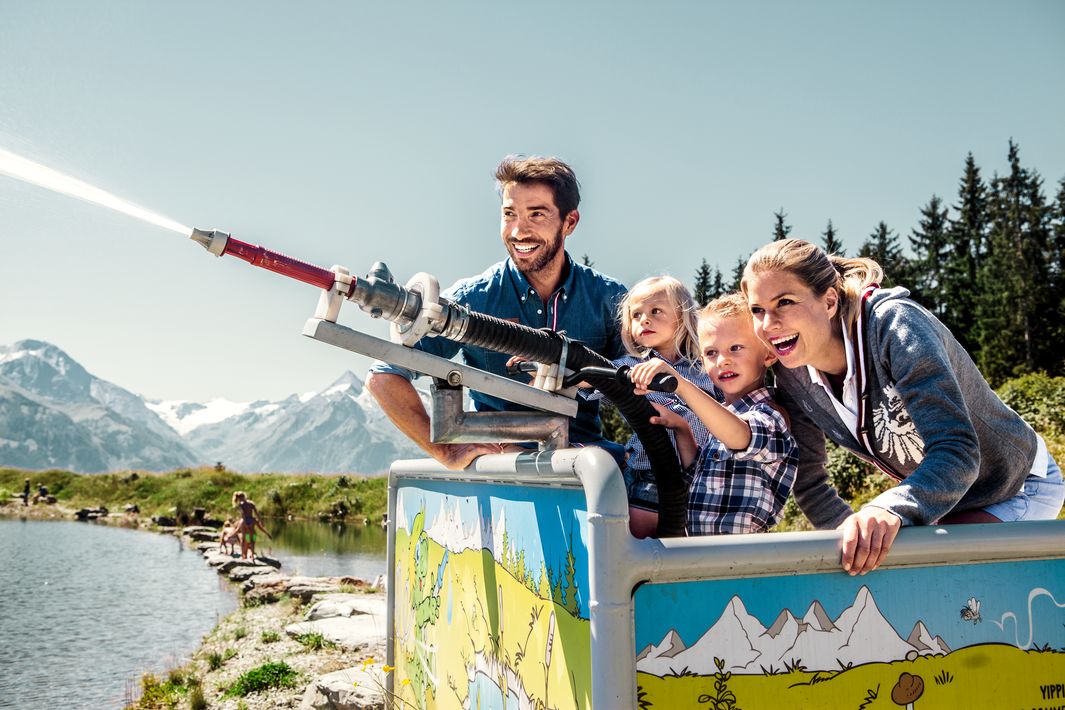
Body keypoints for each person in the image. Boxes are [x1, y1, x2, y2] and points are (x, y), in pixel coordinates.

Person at [741, 239, 1065, 575]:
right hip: (944, 503)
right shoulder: (790, 374)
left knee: (942, 576)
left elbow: (958, 451)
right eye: (757, 310)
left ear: (829, 301)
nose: (767, 324)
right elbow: (809, 482)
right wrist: (853, 539)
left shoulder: (894, 326)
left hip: (1014, 486)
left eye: (785, 302)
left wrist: (886, 508)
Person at [366, 155, 628, 469]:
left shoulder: (610, 299)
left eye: (536, 214)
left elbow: (649, 389)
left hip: (586, 467)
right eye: (509, 214)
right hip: (504, 468)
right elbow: (384, 376)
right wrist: (445, 451)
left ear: (569, 222)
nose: (519, 230)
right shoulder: (471, 299)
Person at [630, 293, 797, 536]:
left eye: (736, 348)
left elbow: (742, 437)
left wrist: (683, 385)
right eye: (711, 353)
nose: (723, 360)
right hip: (701, 554)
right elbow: (698, 479)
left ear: (769, 354)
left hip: (736, 558)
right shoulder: (723, 417)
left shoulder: (771, 414)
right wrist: (683, 431)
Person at [583, 276, 717, 537]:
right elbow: (594, 376)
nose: (644, 320)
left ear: (682, 317)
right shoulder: (632, 367)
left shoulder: (706, 366)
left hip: (703, 480)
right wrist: (553, 363)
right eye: (636, 315)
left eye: (656, 311)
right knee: (644, 552)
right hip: (650, 477)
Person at [232, 491, 271, 561]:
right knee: (252, 540)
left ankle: (244, 555)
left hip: (244, 522)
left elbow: (243, 514)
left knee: (245, 540)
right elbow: (257, 514)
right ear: (244, 496)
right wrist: (261, 521)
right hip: (251, 521)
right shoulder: (251, 503)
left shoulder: (240, 505)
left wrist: (245, 522)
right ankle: (252, 555)